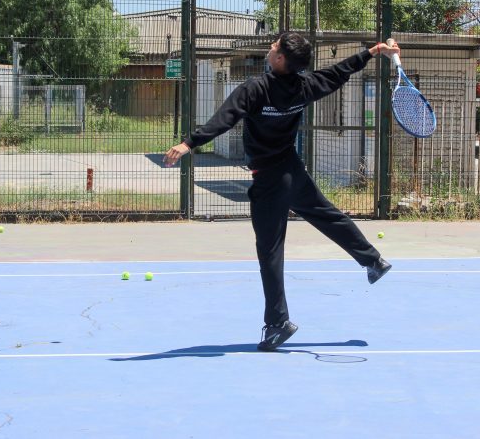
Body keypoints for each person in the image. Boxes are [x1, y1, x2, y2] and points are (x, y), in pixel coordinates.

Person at [164, 32, 398, 351]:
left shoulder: (255, 89)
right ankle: (372, 260)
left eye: (275, 46)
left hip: (269, 179)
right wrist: (372, 52)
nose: (271, 46)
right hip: (291, 171)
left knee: (270, 251)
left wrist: (188, 143)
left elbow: (224, 119)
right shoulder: (306, 86)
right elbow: (340, 72)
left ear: (280, 59)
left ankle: (277, 323)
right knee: (327, 216)